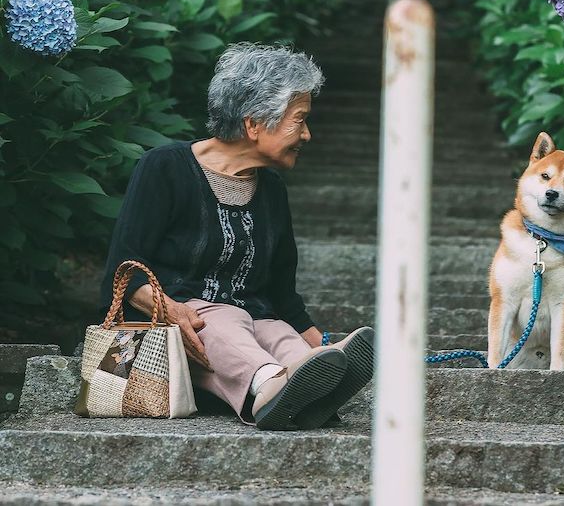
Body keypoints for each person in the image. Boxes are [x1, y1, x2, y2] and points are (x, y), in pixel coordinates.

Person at [99, 42, 374, 430]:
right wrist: (174, 311)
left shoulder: (272, 190)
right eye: (300, 120)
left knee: (275, 329)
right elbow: (121, 272)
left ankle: (309, 383)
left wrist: (320, 344)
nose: (308, 135)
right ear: (253, 124)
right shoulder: (164, 167)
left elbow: (282, 296)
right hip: (175, 331)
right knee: (223, 320)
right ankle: (268, 388)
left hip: (248, 322)